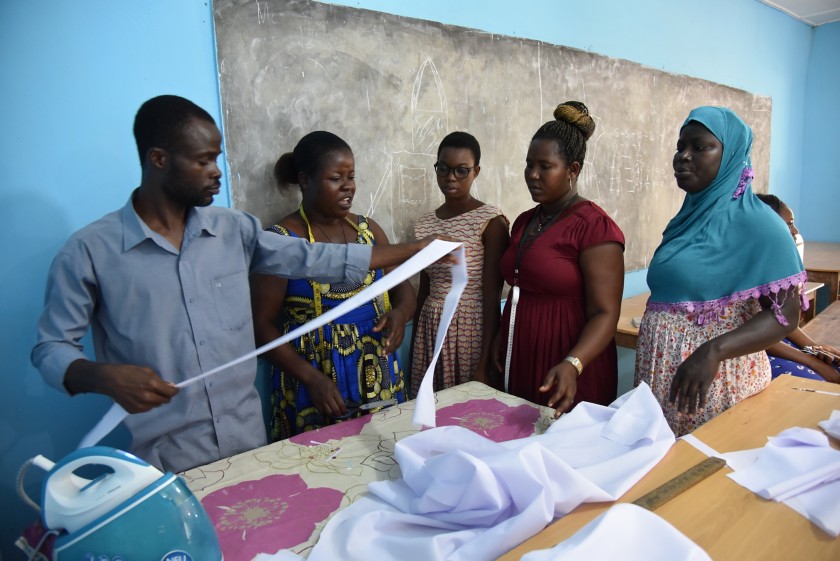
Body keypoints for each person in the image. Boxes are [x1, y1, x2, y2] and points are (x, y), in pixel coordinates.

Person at [31, 96, 443, 473]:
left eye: (218, 159)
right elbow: (50, 347)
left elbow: (317, 259)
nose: (216, 173)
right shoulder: (90, 252)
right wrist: (101, 377)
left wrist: (425, 249)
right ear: (159, 159)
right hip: (166, 460)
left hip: (251, 446)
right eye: (203, 161)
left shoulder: (234, 230)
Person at [634, 106, 806, 436]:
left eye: (699, 147)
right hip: (662, 385)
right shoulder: (685, 222)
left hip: (718, 389)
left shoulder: (761, 225)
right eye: (680, 147)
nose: (683, 157)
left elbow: (785, 316)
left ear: (731, 156)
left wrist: (714, 350)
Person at [251, 131, 414, 439]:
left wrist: (400, 315)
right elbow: (261, 326)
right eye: (336, 178)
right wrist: (311, 378)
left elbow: (404, 290)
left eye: (351, 176)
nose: (348, 185)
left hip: (376, 374)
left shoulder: (369, 231)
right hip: (313, 385)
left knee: (384, 465)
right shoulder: (280, 242)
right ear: (305, 180)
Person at [495, 101, 625, 416]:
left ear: (573, 170)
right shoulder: (525, 221)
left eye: (544, 166)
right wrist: (501, 336)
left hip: (570, 366)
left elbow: (605, 314)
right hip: (523, 357)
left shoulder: (594, 227)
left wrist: (573, 363)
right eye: (529, 165)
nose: (533, 175)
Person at [411, 132, 509, 393]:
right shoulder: (425, 223)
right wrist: (414, 349)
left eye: (461, 170)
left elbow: (491, 296)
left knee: (466, 408)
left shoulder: (490, 221)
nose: (450, 177)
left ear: (475, 171)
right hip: (431, 326)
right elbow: (425, 288)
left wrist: (484, 362)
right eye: (443, 168)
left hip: (470, 329)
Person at [756, 193, 840, 383]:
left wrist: (815, 348)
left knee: (834, 368)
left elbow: (781, 320)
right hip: (754, 351)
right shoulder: (747, 267)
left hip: (777, 342)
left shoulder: (774, 261)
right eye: (789, 224)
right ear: (767, 225)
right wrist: (813, 363)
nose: (795, 231)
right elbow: (754, 332)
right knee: (816, 381)